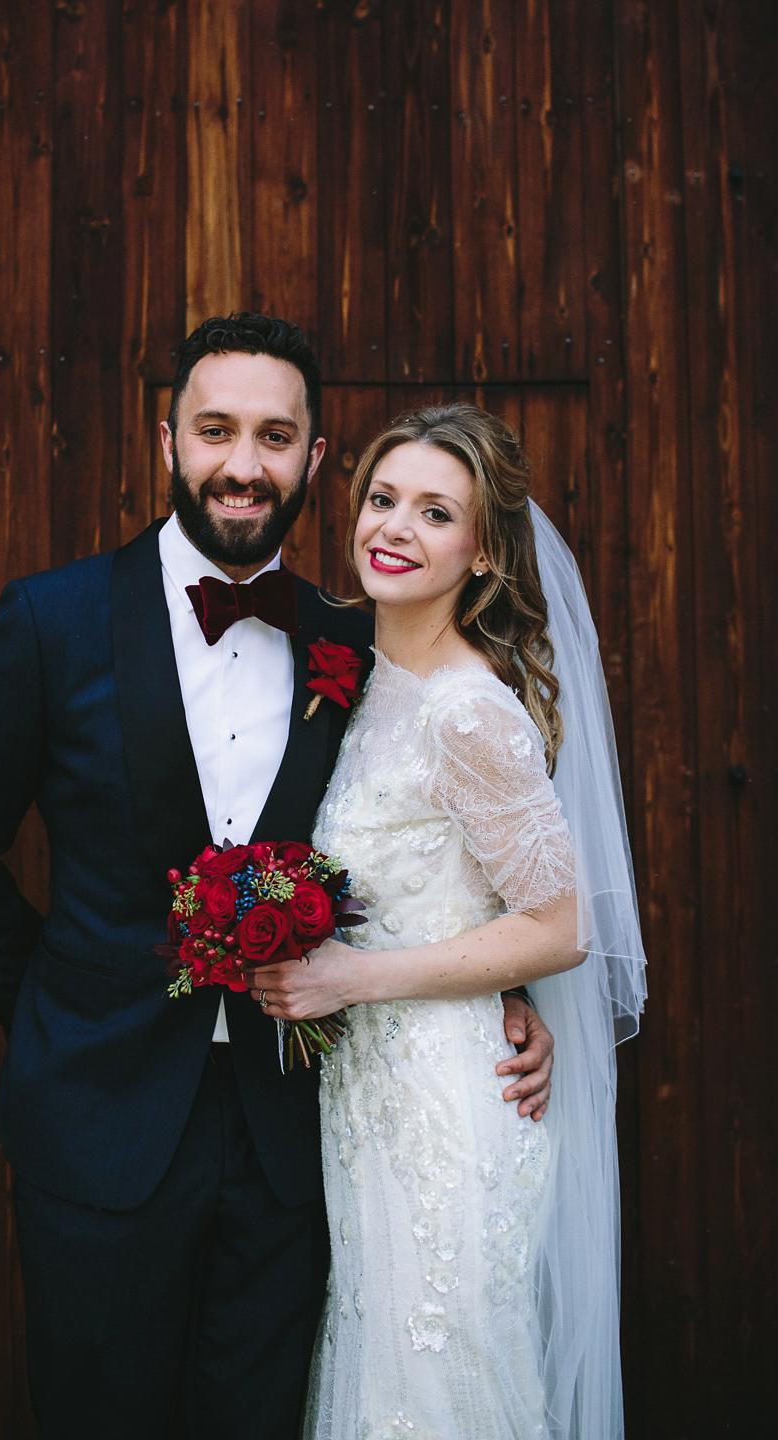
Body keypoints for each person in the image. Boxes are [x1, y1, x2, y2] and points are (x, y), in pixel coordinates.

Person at [0, 317, 555, 1440]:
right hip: (98, 1127)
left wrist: (504, 988)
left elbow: (427, 839)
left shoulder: (359, 638)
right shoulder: (49, 622)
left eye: (274, 436)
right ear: (169, 442)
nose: (243, 464)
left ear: (312, 453)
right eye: (215, 431)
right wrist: (59, 1006)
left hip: (295, 1134)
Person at [248, 404, 647, 1439]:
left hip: (444, 1107)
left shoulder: (470, 711)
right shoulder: (359, 672)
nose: (395, 528)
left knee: (438, 1382)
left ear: (481, 551)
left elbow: (560, 926)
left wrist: (349, 979)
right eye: (384, 500)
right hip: (366, 1100)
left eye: (436, 513)